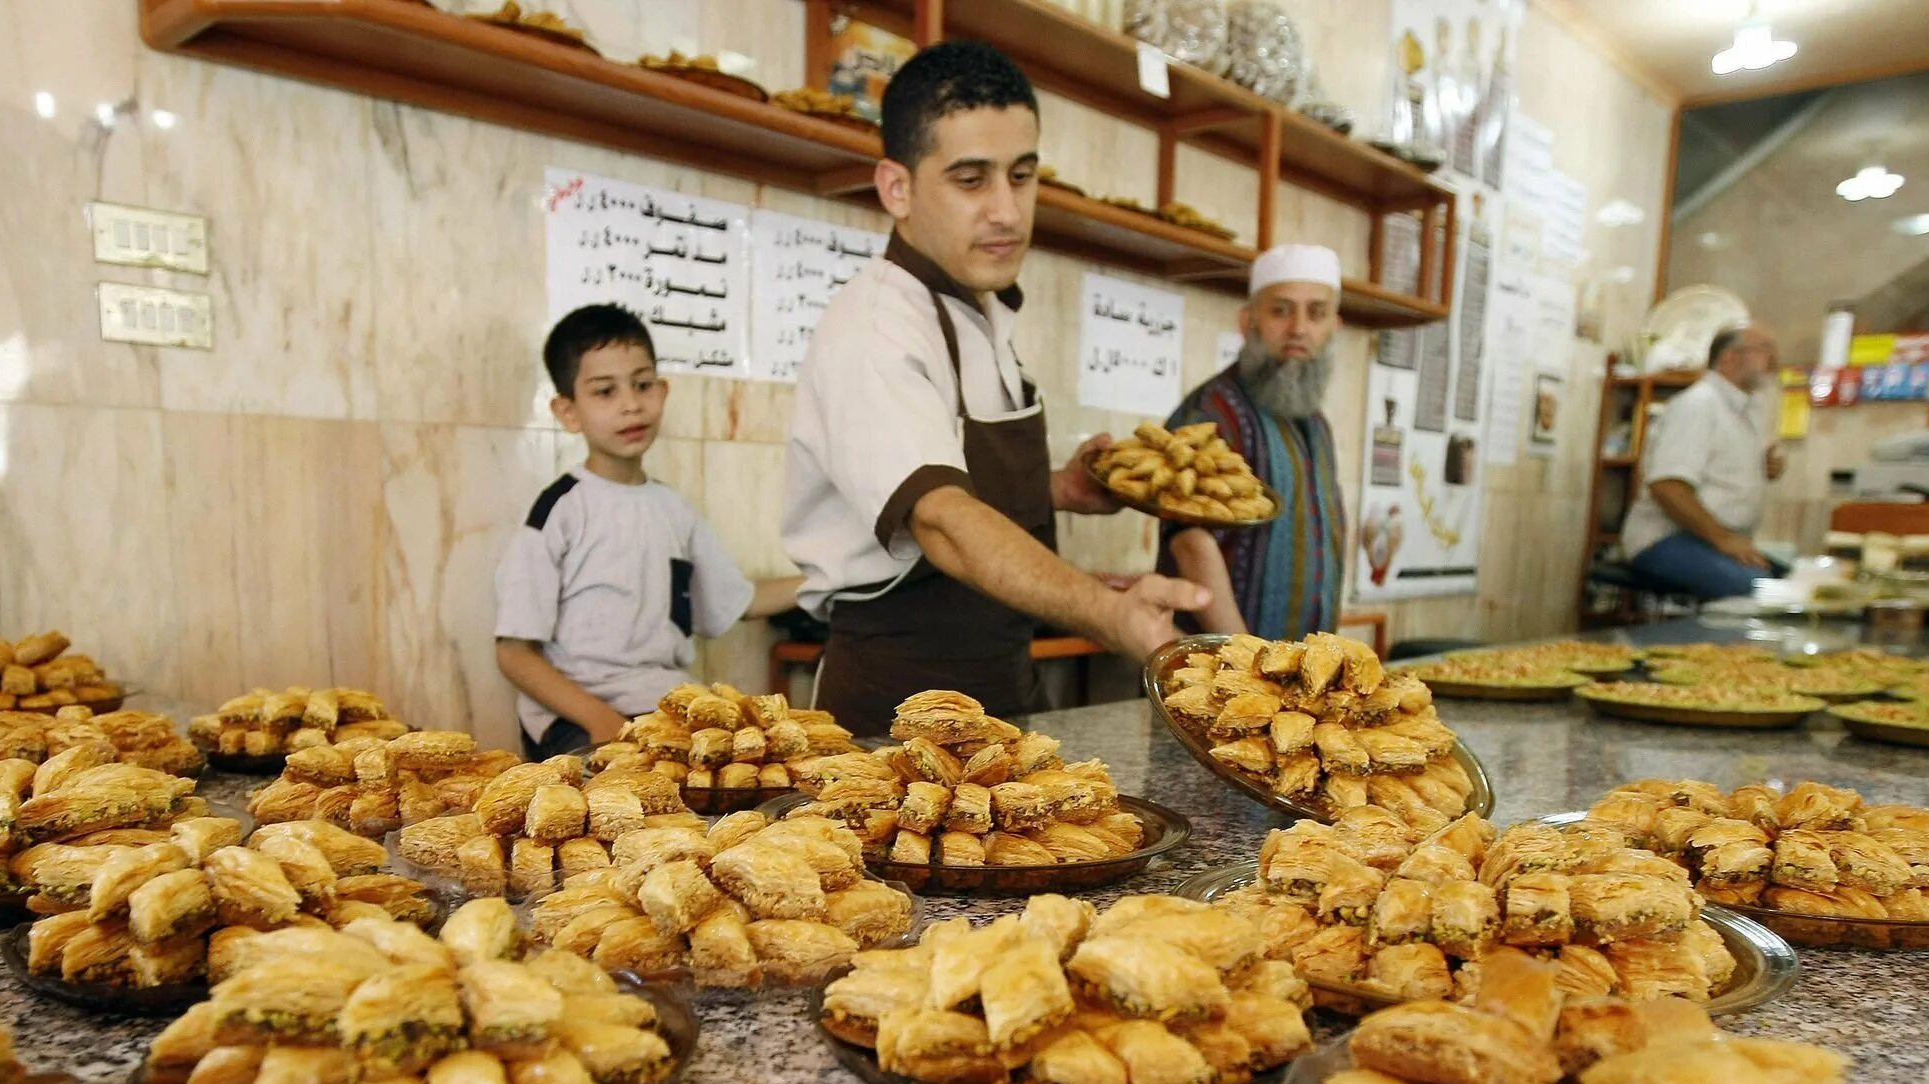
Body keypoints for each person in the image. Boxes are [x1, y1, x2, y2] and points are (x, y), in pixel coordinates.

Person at [781, 39, 1207, 737]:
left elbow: (967, 478)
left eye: (1023, 174)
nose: (1007, 211)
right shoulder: (875, 326)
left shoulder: (979, 312)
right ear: (898, 187)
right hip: (891, 720)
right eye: (971, 180)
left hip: (1002, 697)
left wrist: (1058, 489)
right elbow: (944, 521)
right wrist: (1108, 613)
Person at [495, 304, 801, 759]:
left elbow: (739, 601)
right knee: (624, 798)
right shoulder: (558, 511)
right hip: (577, 721)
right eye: (605, 391)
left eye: (642, 385)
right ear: (567, 411)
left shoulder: (673, 509)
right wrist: (601, 720)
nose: (631, 404)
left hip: (667, 711)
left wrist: (833, 581)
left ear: (662, 390)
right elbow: (514, 653)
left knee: (763, 769)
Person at [1160, 244, 1349, 637]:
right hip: (1219, 675)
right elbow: (1191, 544)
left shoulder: (1317, 425)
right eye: (1281, 310)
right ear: (1249, 323)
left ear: (1334, 327)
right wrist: (1249, 663)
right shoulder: (1212, 412)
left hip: (1296, 675)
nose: (1299, 328)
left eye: (1316, 313)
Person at [1620, 322, 1790, 600]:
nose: (1774, 361)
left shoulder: (1749, 410)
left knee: (1797, 585)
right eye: (1764, 350)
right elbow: (1668, 486)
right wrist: (1724, 540)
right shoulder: (1698, 405)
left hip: (1711, 539)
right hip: (1666, 539)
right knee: (1761, 594)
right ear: (1728, 357)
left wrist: (1772, 464)